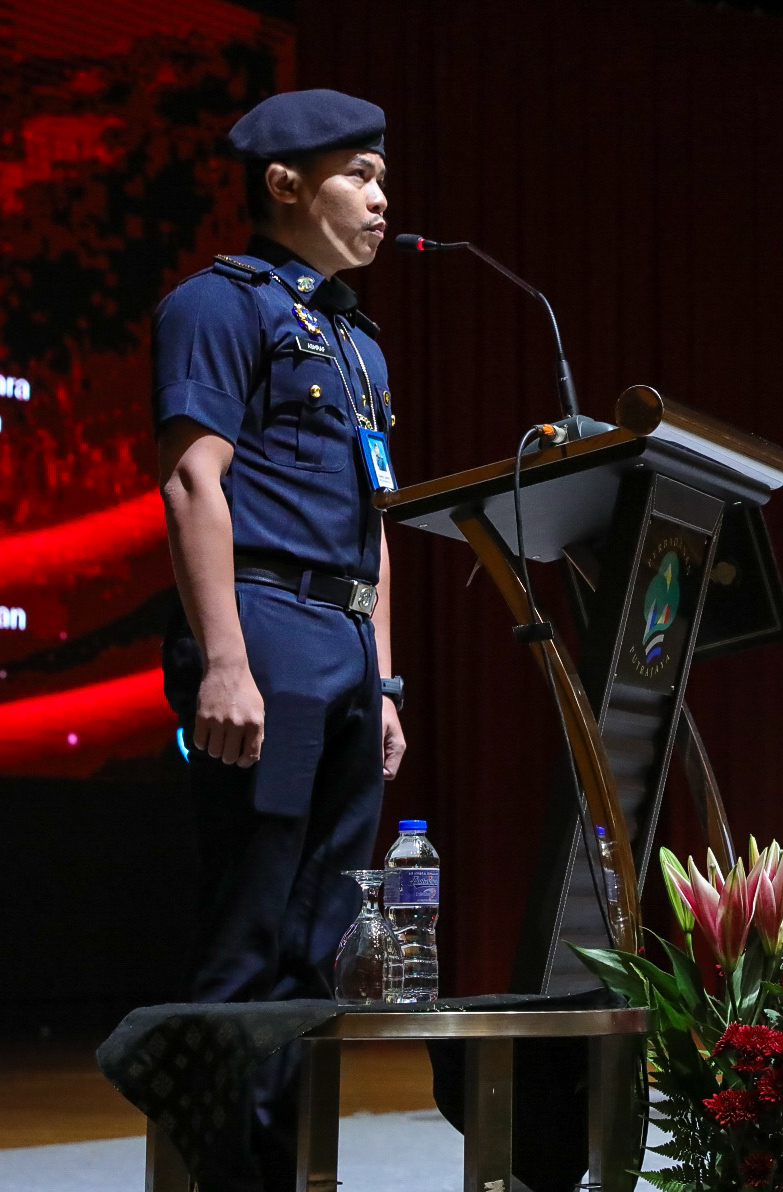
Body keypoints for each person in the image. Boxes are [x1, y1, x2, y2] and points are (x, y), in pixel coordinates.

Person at [154, 89, 406, 1189]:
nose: (382, 197)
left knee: (324, 943)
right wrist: (224, 659)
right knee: (250, 929)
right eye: (361, 174)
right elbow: (190, 480)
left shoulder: (357, 340)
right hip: (265, 630)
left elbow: (377, 521)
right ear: (286, 185)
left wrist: (385, 683)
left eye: (384, 177)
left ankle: (285, 1170)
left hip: (345, 641)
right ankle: (218, 1173)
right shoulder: (217, 305)